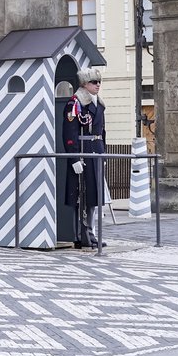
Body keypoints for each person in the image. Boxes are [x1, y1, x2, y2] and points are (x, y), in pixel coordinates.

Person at [62, 68, 107, 249]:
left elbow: (102, 132)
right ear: (84, 84)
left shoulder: (99, 104)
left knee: (93, 196)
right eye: (93, 82)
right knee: (80, 196)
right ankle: (81, 234)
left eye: (99, 82)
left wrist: (103, 152)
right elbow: (69, 133)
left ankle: (91, 232)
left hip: (95, 150)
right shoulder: (75, 103)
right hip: (82, 152)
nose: (97, 85)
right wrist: (74, 158)